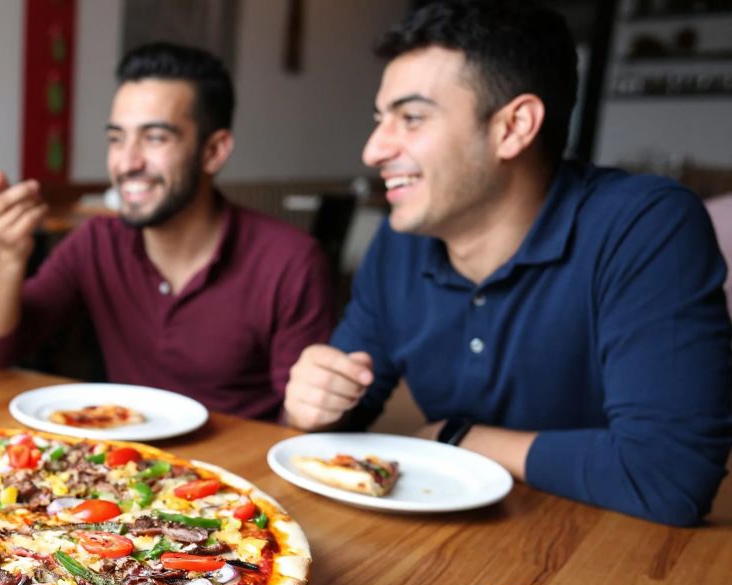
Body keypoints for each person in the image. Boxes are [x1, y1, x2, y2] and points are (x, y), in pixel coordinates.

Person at [283, 0, 731, 526]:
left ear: (514, 127)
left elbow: (670, 477)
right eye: (380, 120)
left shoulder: (645, 226)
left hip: (612, 545)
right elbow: (336, 428)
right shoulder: (400, 242)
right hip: (453, 536)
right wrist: (311, 406)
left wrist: (458, 436)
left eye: (412, 118)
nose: (373, 150)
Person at [0, 42, 333, 421]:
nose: (127, 162)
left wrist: (318, 413)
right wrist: (8, 253)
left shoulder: (290, 261)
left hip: (243, 456)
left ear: (214, 151)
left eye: (155, 137)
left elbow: (302, 420)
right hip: (126, 453)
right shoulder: (96, 242)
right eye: (116, 139)